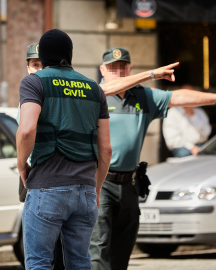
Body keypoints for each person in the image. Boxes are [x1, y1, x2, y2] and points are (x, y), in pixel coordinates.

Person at [89, 47, 216, 270]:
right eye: (112, 68)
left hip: (129, 184)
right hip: (100, 182)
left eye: (122, 67)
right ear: (102, 70)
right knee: (98, 249)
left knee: (123, 250)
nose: (118, 72)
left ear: (129, 68)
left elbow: (180, 97)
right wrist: (152, 74)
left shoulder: (143, 96)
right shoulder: (94, 94)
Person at [16, 29, 112, 270]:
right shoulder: (94, 89)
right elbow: (107, 149)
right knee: (80, 262)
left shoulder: (34, 82)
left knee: (39, 262)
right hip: (86, 190)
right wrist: (97, 188)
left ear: (44, 55)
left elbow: (27, 130)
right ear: (69, 54)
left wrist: (21, 165)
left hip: (48, 186)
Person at [163, 85, 212, 157]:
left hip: (200, 145)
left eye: (192, 95)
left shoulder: (200, 112)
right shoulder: (172, 113)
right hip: (182, 147)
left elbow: (206, 133)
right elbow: (173, 140)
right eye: (186, 95)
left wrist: (193, 116)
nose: (189, 98)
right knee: (185, 155)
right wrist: (191, 147)